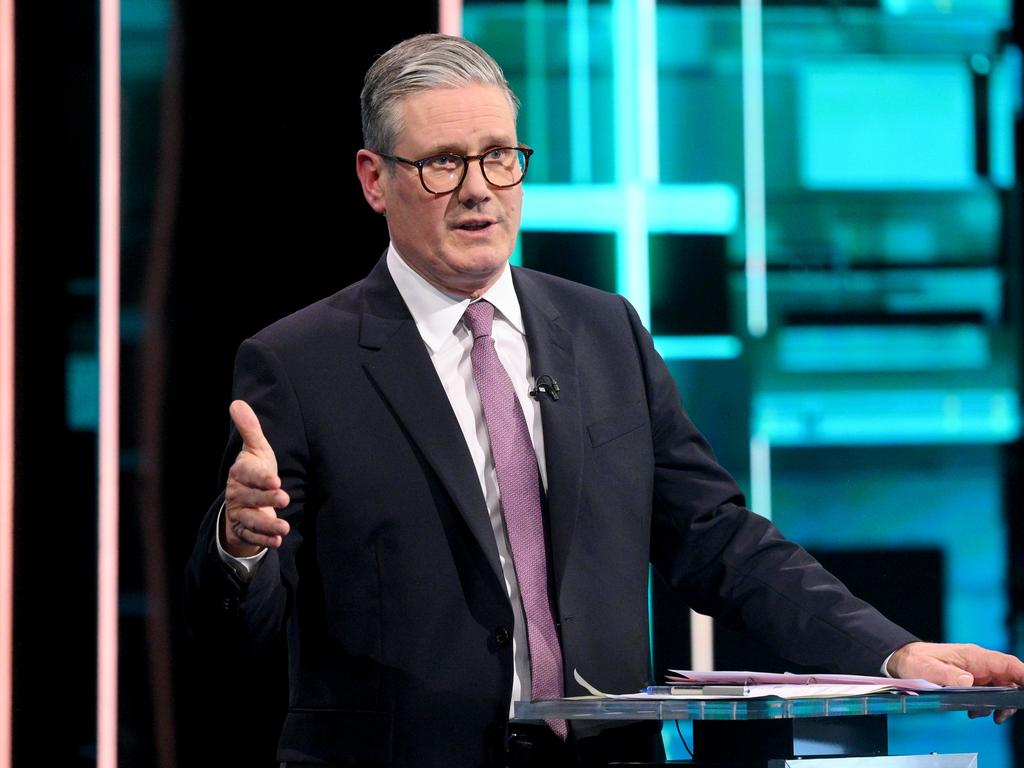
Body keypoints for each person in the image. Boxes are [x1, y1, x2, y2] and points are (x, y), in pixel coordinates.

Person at [184, 33, 1024, 768]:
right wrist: (239, 544)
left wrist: (894, 653)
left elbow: (719, 539)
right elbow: (231, 635)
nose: (479, 188)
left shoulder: (604, 331)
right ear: (375, 179)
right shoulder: (299, 362)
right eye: (443, 163)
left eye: (499, 155)